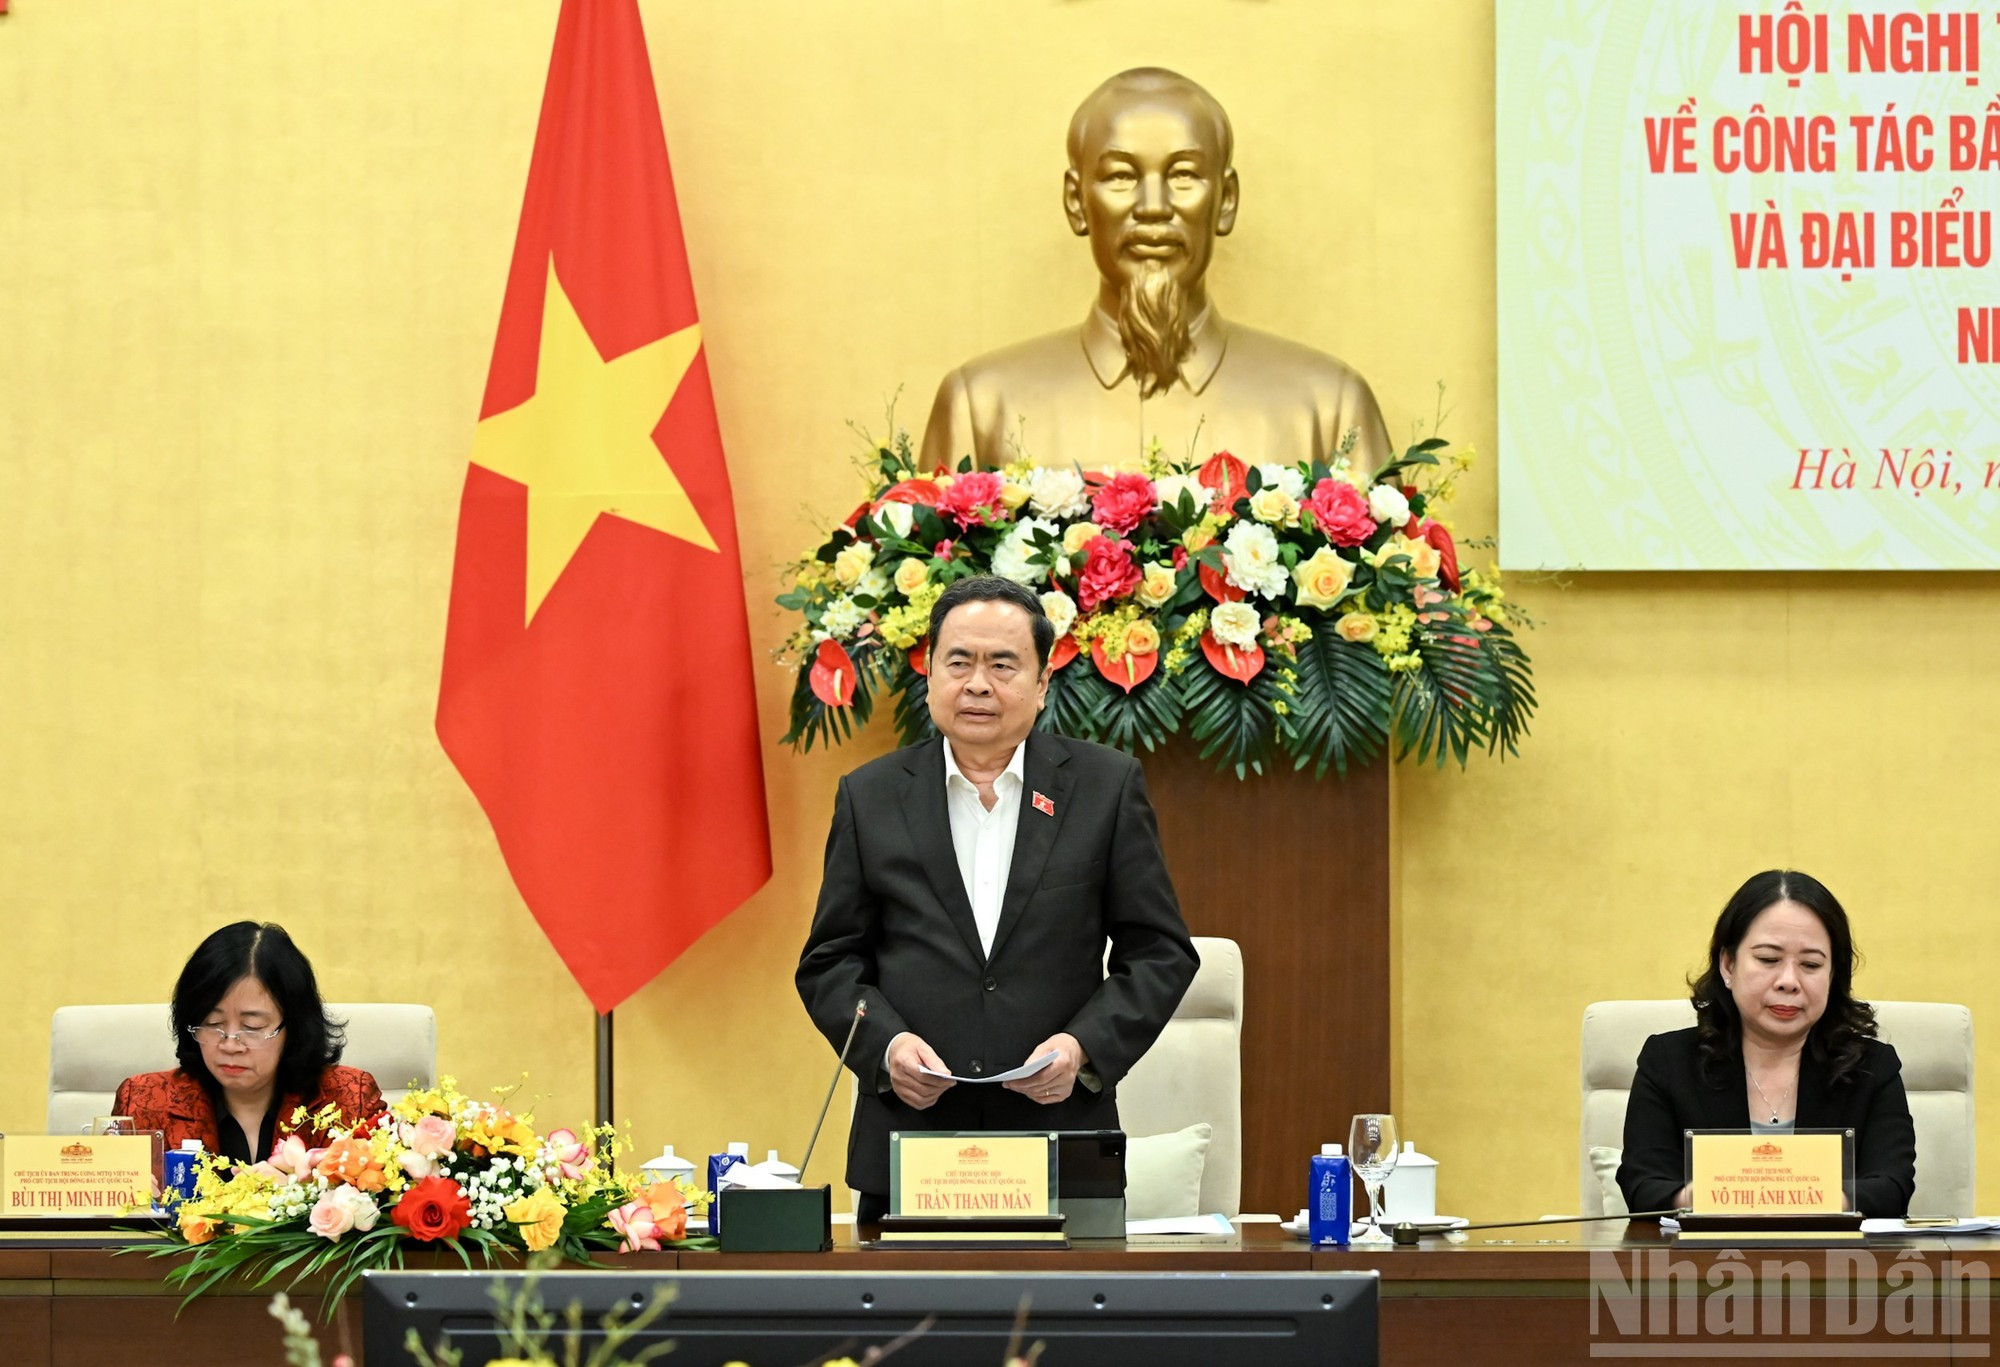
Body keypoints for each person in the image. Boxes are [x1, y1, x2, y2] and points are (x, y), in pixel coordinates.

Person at [796, 575, 1200, 1222]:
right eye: (958, 661)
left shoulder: (1105, 788)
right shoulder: (869, 798)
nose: (977, 683)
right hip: (909, 1151)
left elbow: (1160, 954)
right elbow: (830, 963)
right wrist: (889, 1049)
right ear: (929, 675)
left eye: (1003, 664)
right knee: (909, 1327)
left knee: (1068, 1325)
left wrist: (1082, 1049)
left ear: (1042, 685)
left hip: (1063, 1145)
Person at [920, 66, 1391, 471]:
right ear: (1076, 202)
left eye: (1183, 175)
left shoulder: (1329, 410)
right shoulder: (980, 408)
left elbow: (1394, 573)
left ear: (1225, 201)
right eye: (1121, 176)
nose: (1153, 207)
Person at [1617, 870, 1915, 1219]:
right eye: (1768, 959)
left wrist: (1786, 1198)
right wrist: (1714, 1195)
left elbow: (1892, 1188)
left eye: (1811, 964)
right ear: (1728, 964)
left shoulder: (1871, 1067)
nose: (1788, 981)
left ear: (1833, 975)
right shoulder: (1668, 1062)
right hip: (1701, 1268)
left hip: (1836, 1265)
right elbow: (1643, 1186)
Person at [113, 922, 383, 1163]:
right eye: (213, 1024)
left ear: (294, 1026)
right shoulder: (142, 1103)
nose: (230, 1045)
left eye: (252, 1027)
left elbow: (382, 1206)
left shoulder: (349, 1102)